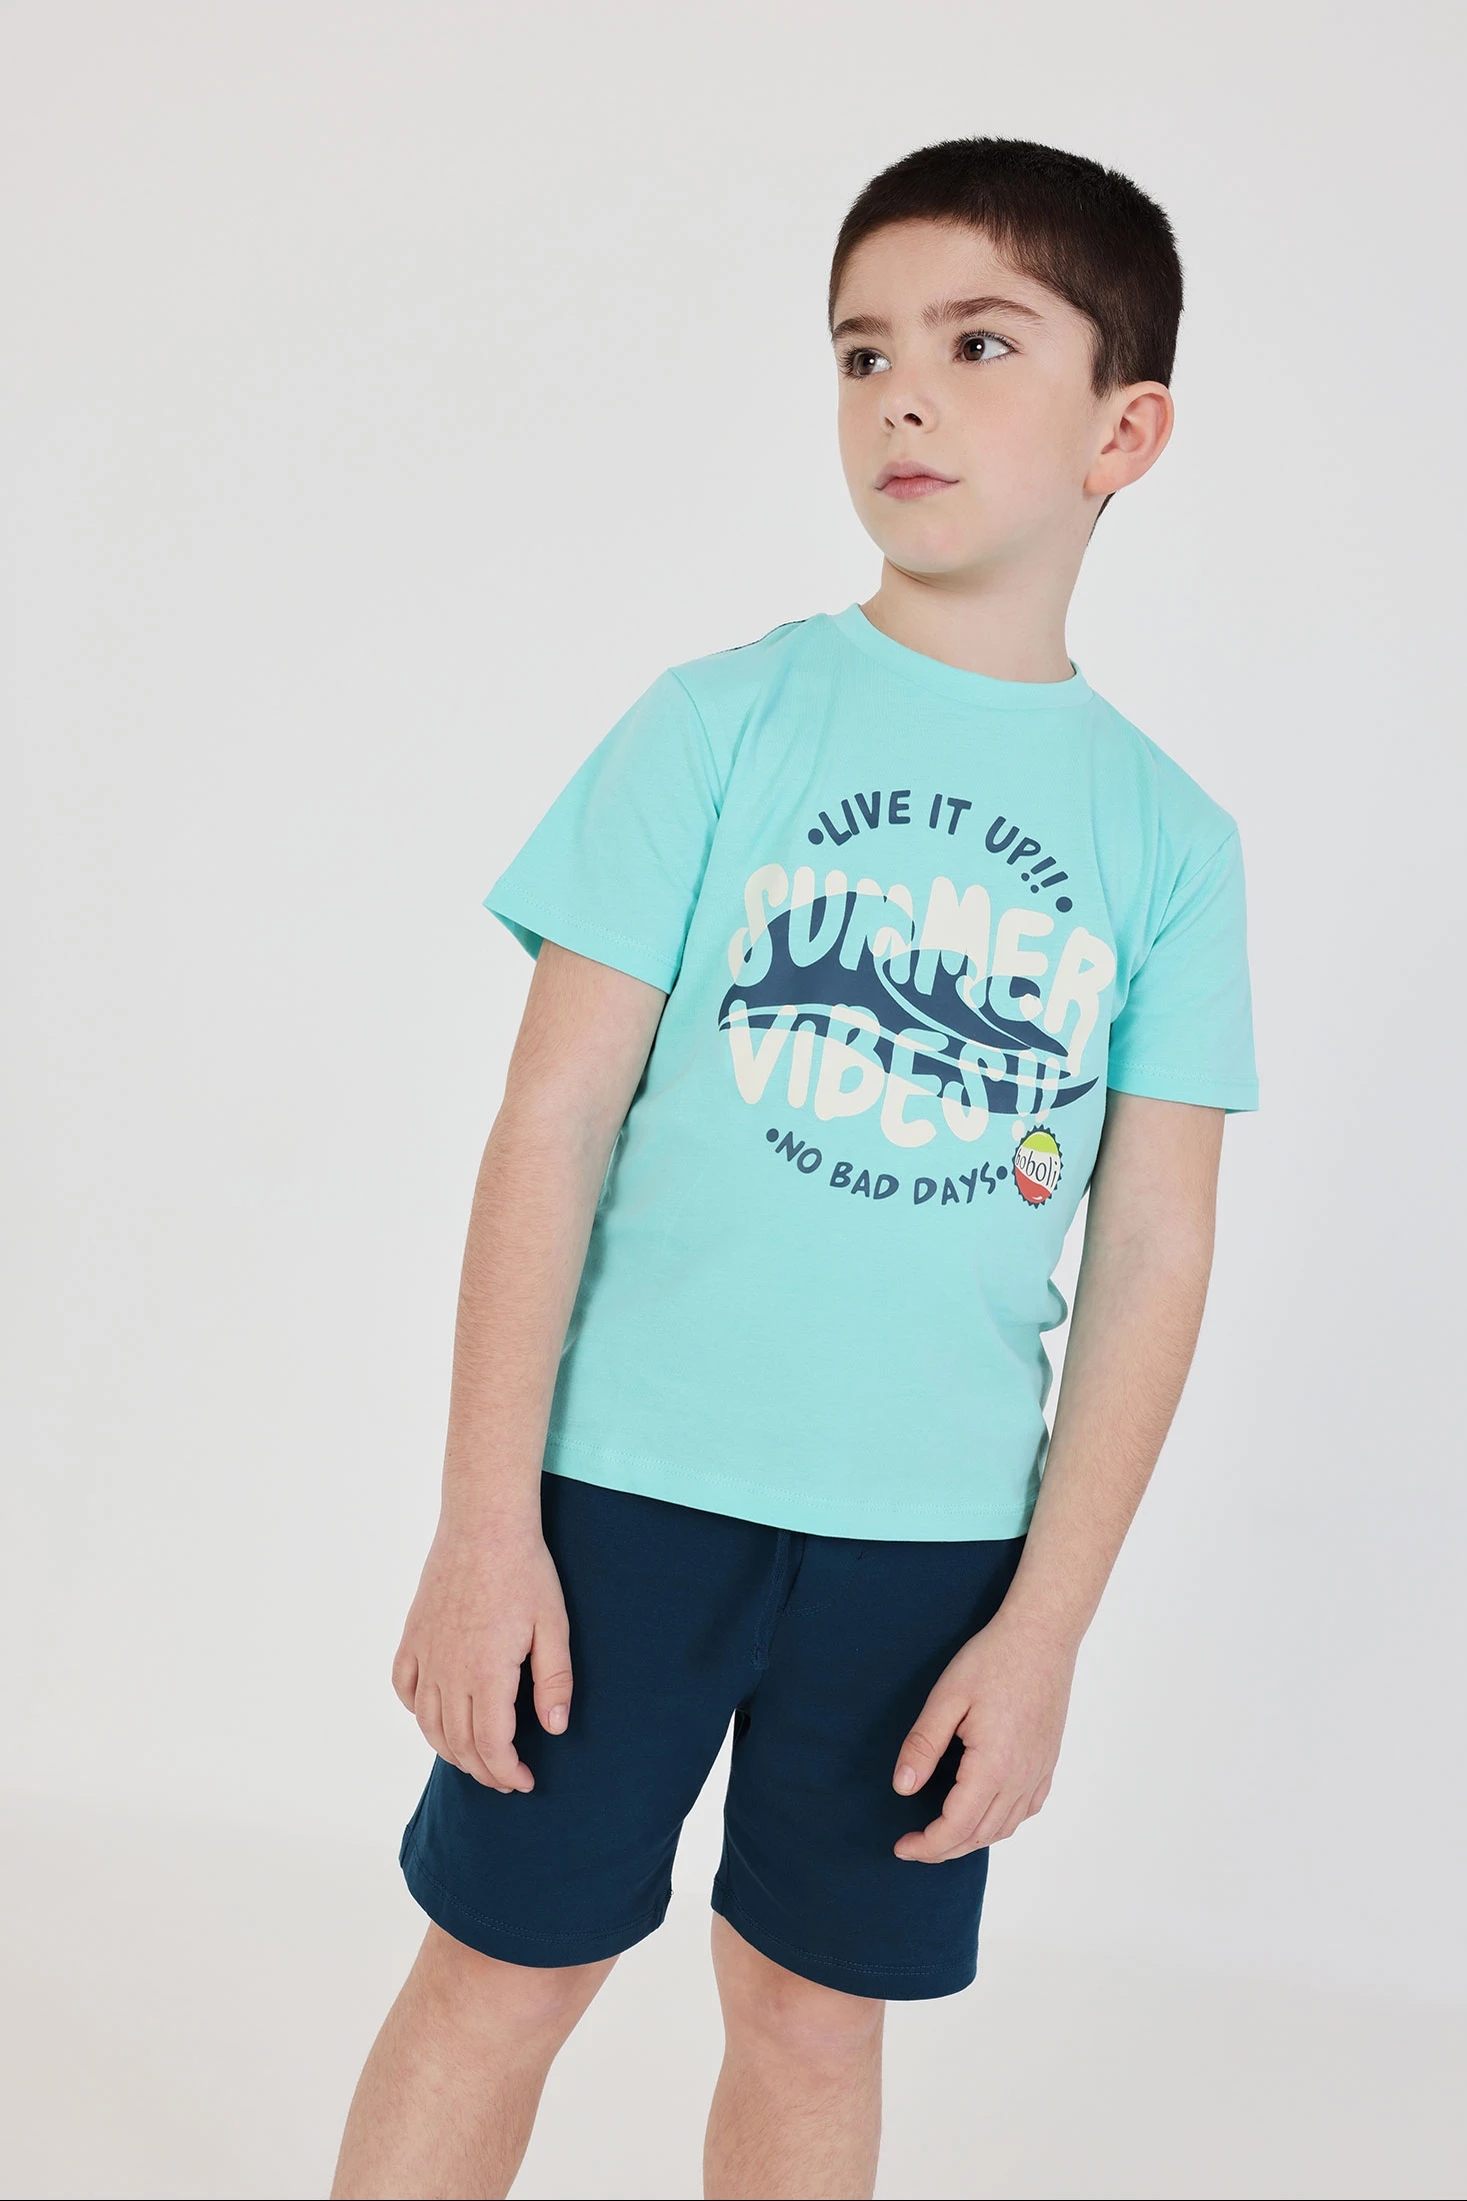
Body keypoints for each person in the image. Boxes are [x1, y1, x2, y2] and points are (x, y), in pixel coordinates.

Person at [330, 136, 1258, 2201]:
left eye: (975, 344)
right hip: (619, 1500)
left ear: (1124, 431)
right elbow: (548, 1120)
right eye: (859, 353)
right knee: (503, 1969)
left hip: (932, 1550)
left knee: (814, 2015)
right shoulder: (717, 721)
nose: (900, 394)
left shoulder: (1170, 843)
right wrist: (484, 1521)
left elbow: (1152, 1253)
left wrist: (1045, 1629)